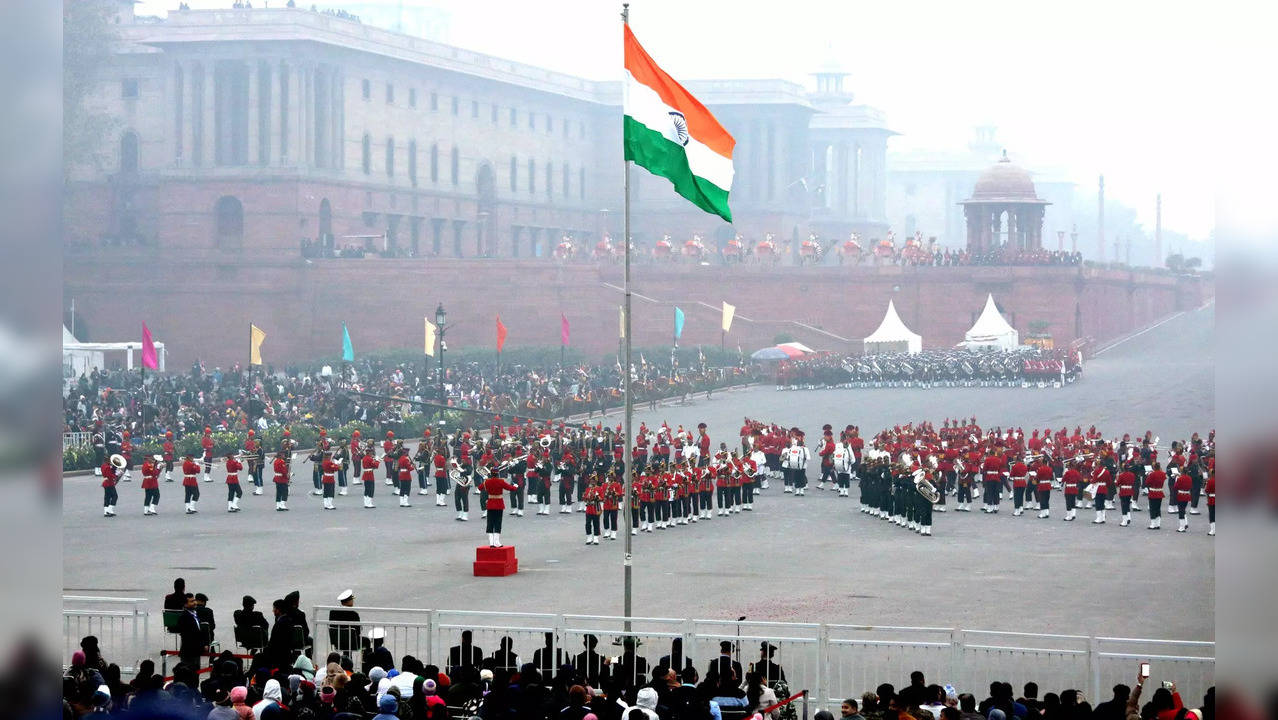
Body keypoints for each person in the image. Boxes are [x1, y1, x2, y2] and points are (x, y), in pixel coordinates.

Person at [481, 459, 519, 547]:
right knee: (498, 523)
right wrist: (515, 486)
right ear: (498, 473)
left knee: (490, 523)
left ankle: (491, 543)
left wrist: (485, 480)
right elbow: (510, 488)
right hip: (498, 504)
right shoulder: (501, 481)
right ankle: (497, 542)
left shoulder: (487, 482)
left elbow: (480, 488)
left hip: (490, 503)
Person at [176, 593, 206, 670]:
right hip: (189, 652)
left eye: (194, 600)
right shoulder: (184, 617)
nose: (195, 603)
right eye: (192, 601)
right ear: (185, 604)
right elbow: (189, 635)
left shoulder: (194, 614)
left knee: (196, 674)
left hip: (196, 651)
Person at [329, 589, 362, 657]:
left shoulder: (333, 612)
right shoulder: (354, 614)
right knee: (366, 641)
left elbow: (332, 626)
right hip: (352, 642)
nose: (353, 601)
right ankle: (365, 665)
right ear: (348, 601)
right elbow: (358, 632)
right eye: (351, 599)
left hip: (337, 641)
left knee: (346, 639)